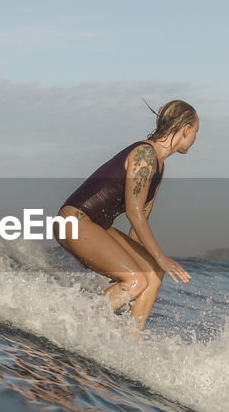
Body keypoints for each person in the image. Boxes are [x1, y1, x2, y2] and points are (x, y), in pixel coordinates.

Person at [56, 100, 198, 332]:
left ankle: (131, 341)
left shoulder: (159, 167)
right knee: (136, 280)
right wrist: (160, 256)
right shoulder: (145, 154)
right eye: (196, 132)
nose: (195, 138)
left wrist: (145, 262)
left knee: (152, 275)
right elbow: (133, 213)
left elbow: (140, 220)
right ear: (185, 129)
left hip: (96, 227)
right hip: (75, 220)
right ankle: (73, 325)